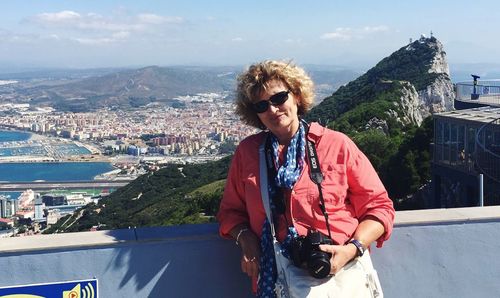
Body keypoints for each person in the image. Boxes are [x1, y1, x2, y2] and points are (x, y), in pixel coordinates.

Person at [217, 60, 395, 296]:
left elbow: (379, 207)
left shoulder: (335, 145)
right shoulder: (249, 153)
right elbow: (230, 212)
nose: (272, 109)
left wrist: (353, 248)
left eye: (279, 98)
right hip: (277, 279)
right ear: (254, 113)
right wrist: (246, 239)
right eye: (261, 105)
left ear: (297, 96)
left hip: (341, 275)